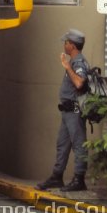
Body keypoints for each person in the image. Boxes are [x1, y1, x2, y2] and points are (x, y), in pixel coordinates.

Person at [36, 29, 89, 192]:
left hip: (74, 111)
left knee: (79, 145)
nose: (64, 45)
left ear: (71, 45)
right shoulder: (74, 61)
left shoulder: (78, 62)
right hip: (67, 112)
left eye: (66, 42)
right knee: (62, 144)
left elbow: (80, 83)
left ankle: (79, 179)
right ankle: (57, 177)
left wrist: (67, 66)